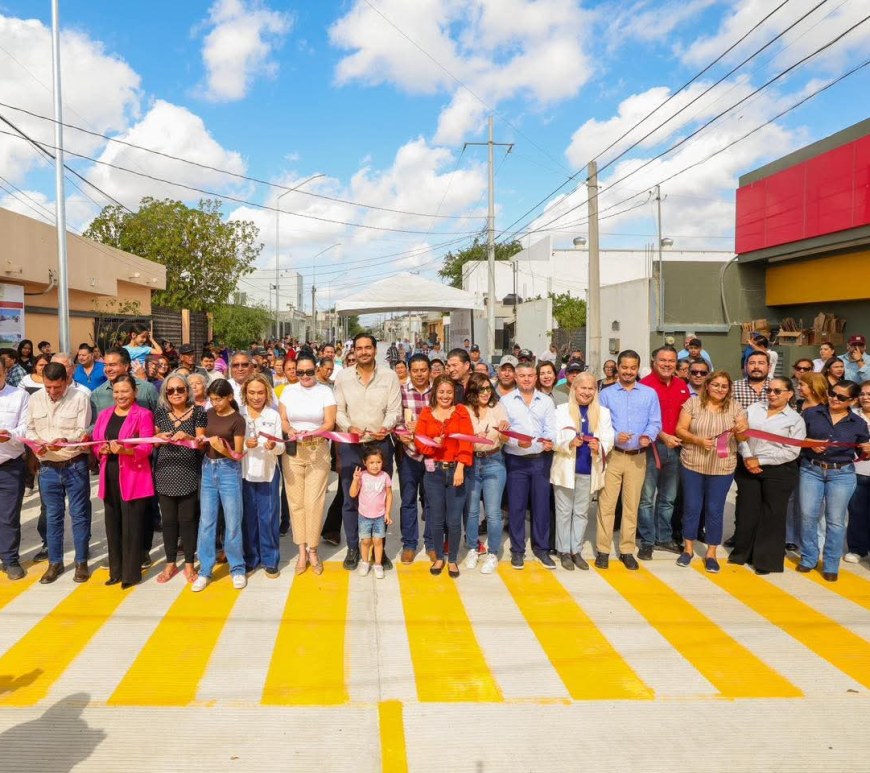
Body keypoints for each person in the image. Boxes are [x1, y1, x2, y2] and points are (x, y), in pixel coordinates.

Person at [334, 334, 401, 571]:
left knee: (380, 499)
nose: (363, 352)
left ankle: (378, 550)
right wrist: (347, 427)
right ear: (354, 350)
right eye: (359, 348)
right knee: (351, 499)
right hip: (352, 445)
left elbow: (395, 410)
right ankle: (354, 548)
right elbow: (338, 410)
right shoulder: (343, 377)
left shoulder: (389, 376)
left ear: (375, 350)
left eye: (368, 348)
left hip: (380, 445)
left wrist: (387, 426)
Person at [26, 362, 93, 584]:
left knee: (79, 514)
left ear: (66, 381)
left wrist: (65, 440)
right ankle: (54, 562)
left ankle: (81, 562)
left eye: (57, 387)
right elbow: (29, 429)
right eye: (48, 387)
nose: (52, 391)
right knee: (53, 517)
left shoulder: (80, 397)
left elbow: (82, 431)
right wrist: (37, 444)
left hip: (74, 465)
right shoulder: (35, 399)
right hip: (47, 468)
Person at [797, 381, 870, 581]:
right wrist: (809, 444)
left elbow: (862, 453)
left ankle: (831, 563)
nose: (834, 398)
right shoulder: (811, 414)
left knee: (835, 520)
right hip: (811, 470)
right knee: (807, 515)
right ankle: (809, 557)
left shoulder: (858, 423)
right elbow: (796, 440)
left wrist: (867, 450)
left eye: (841, 397)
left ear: (852, 401)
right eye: (832, 393)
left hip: (842, 474)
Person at [731, 377, 804, 574]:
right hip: (748, 465)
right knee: (747, 511)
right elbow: (740, 435)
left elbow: (792, 452)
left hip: (779, 470)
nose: (771, 394)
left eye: (777, 391)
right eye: (769, 390)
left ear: (789, 394)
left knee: (772, 515)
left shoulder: (795, 420)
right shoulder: (754, 408)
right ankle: (743, 553)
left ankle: (766, 561)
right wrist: (748, 457)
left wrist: (760, 460)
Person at [595, 350, 661, 570]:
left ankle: (626, 550)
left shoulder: (649, 394)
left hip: (638, 457)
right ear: (618, 367)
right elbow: (599, 424)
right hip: (613, 456)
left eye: (633, 368)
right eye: (624, 367)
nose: (628, 371)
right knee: (607, 505)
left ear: (638, 368)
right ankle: (603, 550)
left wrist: (648, 436)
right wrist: (615, 436)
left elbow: (655, 422)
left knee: (631, 506)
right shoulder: (606, 394)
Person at [675, 371, 746, 572]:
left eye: (724, 386)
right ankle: (688, 549)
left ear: (729, 389)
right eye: (715, 385)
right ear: (707, 385)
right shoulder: (692, 403)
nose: (719, 389)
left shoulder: (735, 407)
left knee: (715, 509)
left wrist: (741, 430)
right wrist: (697, 440)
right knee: (692, 506)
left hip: (722, 467)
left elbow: (743, 438)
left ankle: (711, 553)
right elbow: (680, 429)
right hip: (693, 463)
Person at [92, 375, 155, 589]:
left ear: (134, 392)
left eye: (125, 391)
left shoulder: (143, 414)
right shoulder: (104, 415)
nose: (120, 395)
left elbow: (147, 446)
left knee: (132, 527)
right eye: (117, 391)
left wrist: (125, 450)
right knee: (112, 525)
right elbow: (96, 441)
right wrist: (101, 449)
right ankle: (115, 571)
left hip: (133, 476)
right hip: (109, 474)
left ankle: (131, 574)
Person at [280, 353, 336, 575]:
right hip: (293, 450)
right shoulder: (288, 391)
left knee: (314, 502)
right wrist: (290, 430)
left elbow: (330, 422)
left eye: (309, 371)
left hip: (317, 449)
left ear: (317, 369)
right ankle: (301, 551)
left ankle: (313, 549)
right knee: (296, 502)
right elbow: (284, 420)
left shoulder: (325, 392)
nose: (304, 376)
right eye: (300, 372)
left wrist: (314, 433)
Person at [551, 372, 614, 571]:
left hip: (588, 470)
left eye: (590, 388)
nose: (586, 392)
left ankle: (576, 550)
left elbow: (609, 438)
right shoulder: (561, 410)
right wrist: (569, 443)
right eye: (583, 388)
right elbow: (553, 438)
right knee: (563, 512)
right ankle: (563, 550)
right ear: (574, 388)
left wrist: (600, 446)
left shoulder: (603, 412)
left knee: (581, 512)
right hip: (566, 470)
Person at [415, 375, 475, 578]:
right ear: (435, 393)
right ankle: (439, 557)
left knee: (454, 519)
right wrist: (434, 444)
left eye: (449, 392)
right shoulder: (426, 413)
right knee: (436, 517)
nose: (445, 396)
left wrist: (460, 468)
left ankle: (453, 559)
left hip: (456, 471)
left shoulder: (461, 411)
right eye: (441, 392)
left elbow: (467, 442)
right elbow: (420, 442)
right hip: (434, 473)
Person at [502, 363, 558, 569]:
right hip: (516, 461)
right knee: (516, 508)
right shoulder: (505, 401)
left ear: (535, 377)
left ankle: (541, 549)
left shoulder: (546, 401)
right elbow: (503, 432)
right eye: (522, 376)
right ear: (515, 378)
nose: (526, 379)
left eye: (530, 375)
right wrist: (517, 442)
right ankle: (517, 550)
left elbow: (551, 428)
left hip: (540, 460)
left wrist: (549, 441)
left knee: (541, 506)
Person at [193, 379, 247, 592]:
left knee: (233, 521)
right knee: (207, 522)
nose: (215, 403)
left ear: (229, 397)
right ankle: (205, 570)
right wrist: (197, 441)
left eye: (218, 399)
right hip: (208, 468)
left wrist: (222, 447)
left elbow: (238, 454)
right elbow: (200, 443)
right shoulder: (207, 414)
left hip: (229, 470)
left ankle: (237, 568)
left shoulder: (237, 420)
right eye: (212, 399)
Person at [153, 374, 206, 584]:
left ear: (187, 391)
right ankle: (170, 563)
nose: (176, 393)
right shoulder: (160, 412)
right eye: (171, 390)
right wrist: (157, 438)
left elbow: (201, 443)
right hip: (165, 471)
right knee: (168, 521)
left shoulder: (198, 412)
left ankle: (189, 563)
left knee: (188, 520)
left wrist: (189, 437)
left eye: (180, 389)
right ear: (165, 393)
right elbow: (154, 441)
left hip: (188, 471)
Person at [638, 346, 690, 559]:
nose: (667, 364)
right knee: (647, 498)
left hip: (676, 448)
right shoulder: (644, 385)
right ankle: (647, 540)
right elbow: (641, 419)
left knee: (668, 498)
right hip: (651, 448)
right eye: (663, 360)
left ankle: (664, 537)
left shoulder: (682, 386)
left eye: (671, 361)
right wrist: (662, 435)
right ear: (654, 362)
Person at [463, 373, 509, 573]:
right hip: (471, 462)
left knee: (493, 512)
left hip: (493, 461)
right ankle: (473, 548)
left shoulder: (497, 407)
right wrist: (474, 436)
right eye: (481, 389)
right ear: (473, 391)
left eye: (488, 388)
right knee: (472, 511)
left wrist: (504, 433)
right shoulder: (465, 410)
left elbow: (505, 439)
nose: (485, 393)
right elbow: (460, 438)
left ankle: (492, 553)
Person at [241, 374, 284, 577]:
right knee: (248, 518)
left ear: (267, 393)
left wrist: (273, 446)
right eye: (251, 392)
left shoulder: (273, 415)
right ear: (245, 393)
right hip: (245, 474)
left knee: (268, 517)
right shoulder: (239, 414)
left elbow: (281, 448)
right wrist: (244, 445)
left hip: (268, 473)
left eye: (260, 392)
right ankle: (251, 558)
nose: (256, 397)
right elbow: (232, 445)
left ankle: (270, 559)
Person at [395, 354, 432, 564]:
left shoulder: (437, 392)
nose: (419, 374)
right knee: (408, 501)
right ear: (409, 371)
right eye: (415, 370)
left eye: (423, 370)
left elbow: (443, 420)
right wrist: (401, 434)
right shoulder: (400, 392)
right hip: (408, 454)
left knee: (431, 501)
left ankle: (432, 543)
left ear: (429, 371)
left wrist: (422, 427)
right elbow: (395, 419)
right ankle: (409, 544)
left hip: (431, 455)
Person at [0, 357, 29, 580]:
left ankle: (10, 559)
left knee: (8, 516)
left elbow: (26, 428)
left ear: (5, 373)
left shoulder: (20, 396)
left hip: (9, 466)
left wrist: (10, 435)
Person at [349, 446, 393, 579]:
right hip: (364, 516)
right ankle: (364, 562)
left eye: (378, 462)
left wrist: (387, 513)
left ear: (383, 462)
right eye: (371, 462)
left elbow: (389, 495)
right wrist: (355, 480)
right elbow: (352, 494)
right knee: (366, 541)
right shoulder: (362, 476)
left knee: (378, 541)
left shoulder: (385, 476)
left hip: (379, 516)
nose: (375, 466)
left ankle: (378, 564)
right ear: (365, 462)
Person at [90, 347, 159, 425]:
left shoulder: (146, 389)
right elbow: (95, 425)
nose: (107, 369)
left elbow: (161, 418)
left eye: (112, 365)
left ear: (126, 366)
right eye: (105, 365)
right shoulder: (97, 394)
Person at [845, 382, 870, 563]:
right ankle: (857, 549)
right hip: (857, 471)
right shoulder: (851, 415)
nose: (865, 397)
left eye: (869, 394)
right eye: (862, 394)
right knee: (857, 512)